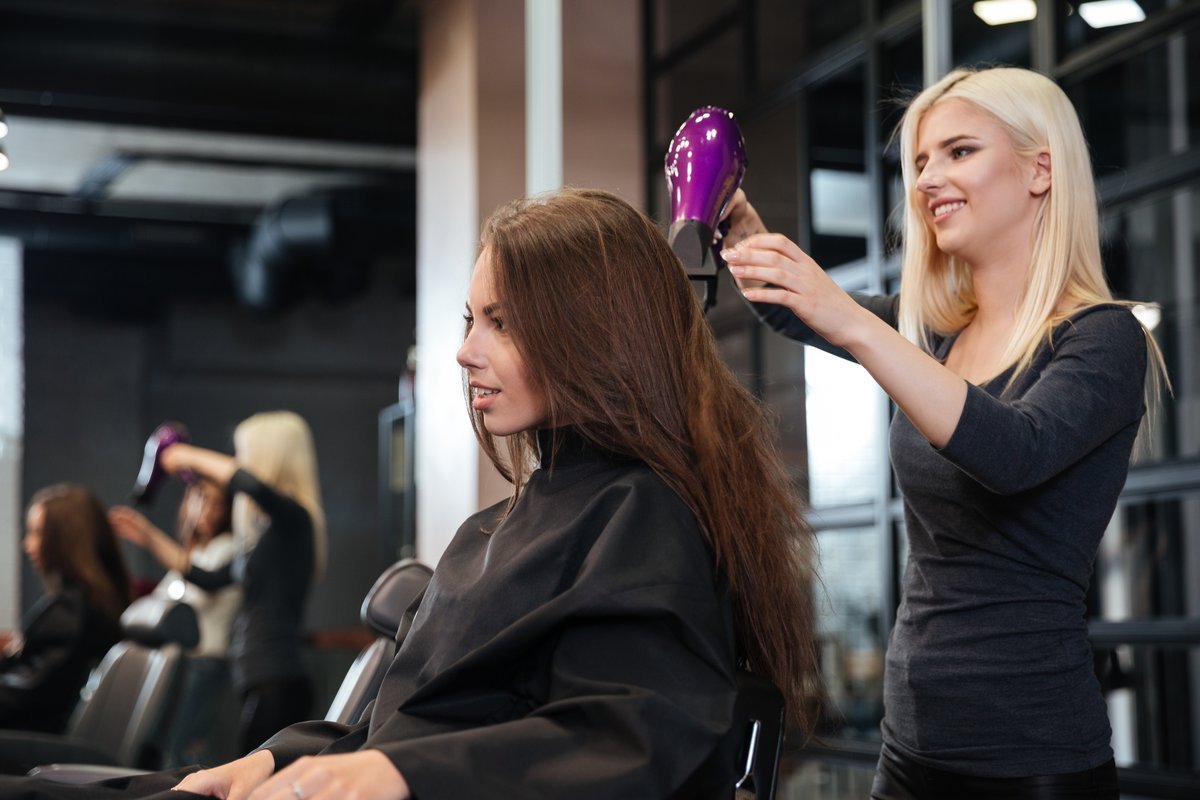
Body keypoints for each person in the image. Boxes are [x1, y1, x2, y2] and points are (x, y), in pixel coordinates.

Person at [0, 187, 822, 799]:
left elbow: (623, 737)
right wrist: (266, 760)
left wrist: (394, 772)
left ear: (592, 332)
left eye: (499, 321)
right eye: (470, 319)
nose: (464, 351)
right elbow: (391, 718)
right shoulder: (495, 529)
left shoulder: (638, 518)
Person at [719, 66, 1168, 798]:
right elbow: (788, 309)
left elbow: (1013, 453)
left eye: (958, 152)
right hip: (909, 748)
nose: (927, 179)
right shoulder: (931, 331)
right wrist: (740, 230)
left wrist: (855, 323)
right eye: (921, 161)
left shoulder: (1102, 339)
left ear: (1040, 169)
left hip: (1031, 760)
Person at [110, 411, 326, 757]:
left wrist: (185, 457)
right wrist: (148, 537)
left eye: (245, 454)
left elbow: (249, 484)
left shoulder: (295, 520)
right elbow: (207, 578)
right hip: (259, 680)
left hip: (279, 681)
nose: (238, 463)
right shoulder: (267, 535)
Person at [111, 479, 241, 767]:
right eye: (199, 500)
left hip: (205, 663)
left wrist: (148, 535)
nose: (206, 510)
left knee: (184, 748)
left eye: (216, 503)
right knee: (165, 747)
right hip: (178, 664)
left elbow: (203, 580)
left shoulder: (229, 550)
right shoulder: (192, 552)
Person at [0, 484, 132, 734]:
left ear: (64, 540)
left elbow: (29, 695)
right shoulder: (94, 601)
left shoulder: (70, 612)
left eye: (37, 533)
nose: (27, 545)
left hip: (33, 739)